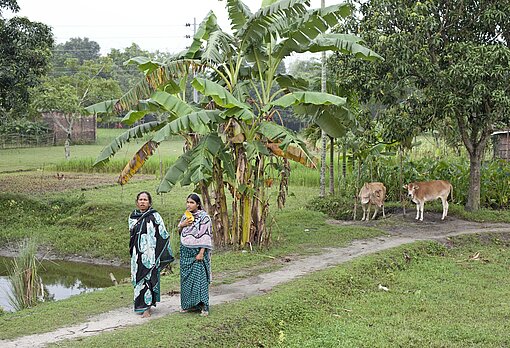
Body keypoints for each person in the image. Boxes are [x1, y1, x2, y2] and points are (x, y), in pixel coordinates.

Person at [129, 191, 174, 318]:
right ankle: (139, 305)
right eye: (140, 199)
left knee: (148, 278)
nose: (142, 202)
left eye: (145, 200)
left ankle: (147, 309)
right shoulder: (133, 216)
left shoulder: (155, 216)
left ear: (149, 202)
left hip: (150, 255)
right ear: (137, 202)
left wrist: (155, 251)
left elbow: (163, 233)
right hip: (137, 255)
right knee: (139, 280)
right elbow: (132, 235)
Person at [177, 193, 213, 316]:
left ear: (198, 204)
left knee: (200, 279)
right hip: (185, 252)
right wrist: (182, 225)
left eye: (192, 202)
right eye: (187, 202)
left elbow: (206, 235)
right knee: (186, 279)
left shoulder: (204, 218)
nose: (189, 205)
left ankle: (204, 306)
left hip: (198, 253)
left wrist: (202, 252)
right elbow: (180, 230)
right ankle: (189, 305)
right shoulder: (186, 216)